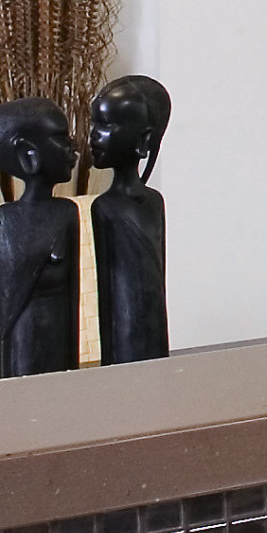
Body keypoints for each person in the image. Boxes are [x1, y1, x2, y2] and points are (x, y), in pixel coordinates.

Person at [0, 97, 81, 376]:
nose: (74, 147)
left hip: (60, 353)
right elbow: (8, 308)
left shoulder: (67, 212)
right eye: (61, 138)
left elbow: (73, 303)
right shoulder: (7, 219)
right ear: (29, 155)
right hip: (23, 351)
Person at [87, 74, 173, 363]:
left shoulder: (153, 202)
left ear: (144, 139)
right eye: (94, 124)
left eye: (106, 125)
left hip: (153, 336)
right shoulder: (103, 208)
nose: (93, 135)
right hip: (120, 344)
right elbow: (106, 291)